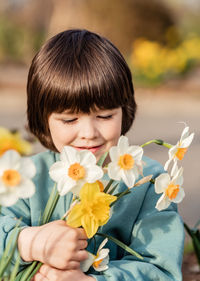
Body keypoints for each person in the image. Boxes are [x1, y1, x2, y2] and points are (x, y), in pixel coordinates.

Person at [0, 29, 184, 281]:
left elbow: (162, 270)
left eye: (105, 116)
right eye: (69, 119)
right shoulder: (27, 178)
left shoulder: (147, 183)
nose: (88, 133)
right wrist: (29, 242)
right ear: (43, 120)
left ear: (125, 110)